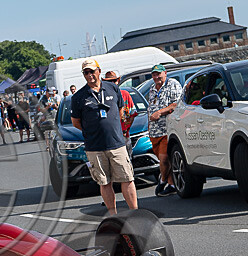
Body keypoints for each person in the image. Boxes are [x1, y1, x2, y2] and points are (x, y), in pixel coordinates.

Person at [70, 58, 138, 214]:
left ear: (99, 71)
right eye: (86, 72)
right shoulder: (78, 97)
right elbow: (76, 122)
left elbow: (120, 111)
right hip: (95, 147)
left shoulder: (113, 88)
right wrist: (93, 130)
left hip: (117, 143)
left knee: (127, 178)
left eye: (92, 71)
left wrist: (112, 128)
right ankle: (113, 215)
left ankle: (135, 212)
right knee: (104, 182)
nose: (89, 75)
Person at [147, 64, 183, 197]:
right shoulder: (152, 88)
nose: (156, 77)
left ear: (165, 73)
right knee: (164, 161)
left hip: (167, 129)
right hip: (154, 131)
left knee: (164, 159)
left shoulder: (173, 84)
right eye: (154, 74)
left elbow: (176, 104)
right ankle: (172, 184)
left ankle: (162, 180)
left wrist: (160, 113)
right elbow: (151, 107)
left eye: (158, 74)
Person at [103, 70, 138, 157]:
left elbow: (133, 113)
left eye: (114, 80)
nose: (112, 83)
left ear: (118, 81)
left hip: (124, 135)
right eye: (109, 81)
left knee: (128, 159)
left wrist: (126, 129)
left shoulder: (125, 94)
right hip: (110, 137)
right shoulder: (102, 97)